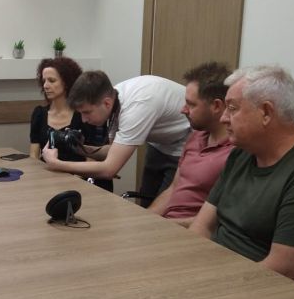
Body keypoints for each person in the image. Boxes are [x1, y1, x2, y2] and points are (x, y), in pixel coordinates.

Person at [189, 65, 294, 299]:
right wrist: (191, 273)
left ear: (266, 113)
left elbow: (282, 273)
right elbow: (203, 226)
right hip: (223, 283)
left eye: (232, 108)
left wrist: (206, 289)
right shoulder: (242, 154)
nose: (223, 117)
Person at [41, 71, 191, 204]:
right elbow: (112, 151)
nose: (84, 120)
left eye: (86, 112)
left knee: (165, 211)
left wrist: (57, 164)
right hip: (160, 142)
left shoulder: (135, 109)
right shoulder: (114, 100)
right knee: (146, 203)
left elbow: (109, 170)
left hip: (185, 141)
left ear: (106, 103)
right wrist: (80, 149)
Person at [147, 62, 234, 226]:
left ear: (216, 106)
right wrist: (144, 220)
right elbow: (173, 188)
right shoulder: (195, 137)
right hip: (168, 225)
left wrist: (165, 225)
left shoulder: (235, 153)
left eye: (191, 104)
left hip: (192, 231)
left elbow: (222, 219)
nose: (183, 110)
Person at [29, 58, 112, 191]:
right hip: (47, 181)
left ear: (67, 82)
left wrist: (71, 182)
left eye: (52, 80)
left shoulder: (85, 115)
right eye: (44, 81)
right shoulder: (39, 114)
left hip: (80, 181)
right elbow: (34, 156)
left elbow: (92, 159)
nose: (45, 85)